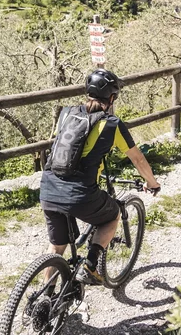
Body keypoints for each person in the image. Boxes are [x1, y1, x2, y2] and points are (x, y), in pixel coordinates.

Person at [39, 69, 161, 287]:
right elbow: (138, 159)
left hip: (48, 188)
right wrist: (152, 183)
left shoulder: (66, 113)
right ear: (112, 97)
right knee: (111, 216)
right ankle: (90, 265)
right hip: (79, 194)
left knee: (57, 246)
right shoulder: (112, 124)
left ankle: (44, 300)